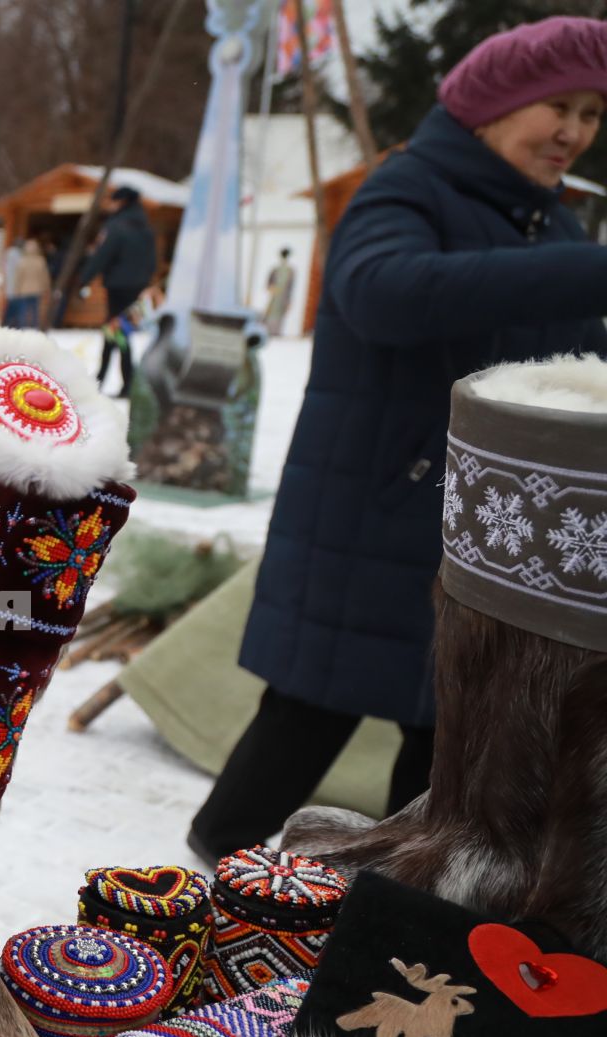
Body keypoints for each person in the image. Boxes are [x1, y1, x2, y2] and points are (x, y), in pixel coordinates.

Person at [189, 16, 607, 862]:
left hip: (482, 532)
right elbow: (381, 291)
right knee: (306, 717)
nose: (574, 132)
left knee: (442, 752)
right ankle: (211, 874)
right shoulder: (407, 188)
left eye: (592, 114)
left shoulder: (553, 225)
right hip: (373, 513)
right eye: (555, 106)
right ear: (493, 106)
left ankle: (386, 908)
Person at [78, 186, 158, 395]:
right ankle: (114, 380)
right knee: (118, 331)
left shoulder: (116, 226)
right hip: (136, 287)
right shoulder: (145, 227)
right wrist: (144, 281)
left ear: (121, 202)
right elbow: (151, 261)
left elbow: (102, 256)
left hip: (117, 287)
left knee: (117, 331)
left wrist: (83, 279)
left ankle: (107, 381)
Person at [10, 237, 52, 330]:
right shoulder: (40, 261)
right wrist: (46, 287)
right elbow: (44, 276)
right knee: (35, 310)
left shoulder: (22, 261)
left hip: (24, 290)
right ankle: (35, 327)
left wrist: (16, 289)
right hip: (37, 290)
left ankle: (23, 327)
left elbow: (18, 277)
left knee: (23, 311)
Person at [263, 248, 296, 337]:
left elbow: (290, 288)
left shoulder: (290, 271)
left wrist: (288, 301)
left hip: (283, 297)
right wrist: (272, 289)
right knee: (270, 314)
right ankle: (267, 331)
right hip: (274, 296)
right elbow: (268, 284)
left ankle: (276, 332)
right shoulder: (275, 270)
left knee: (279, 315)